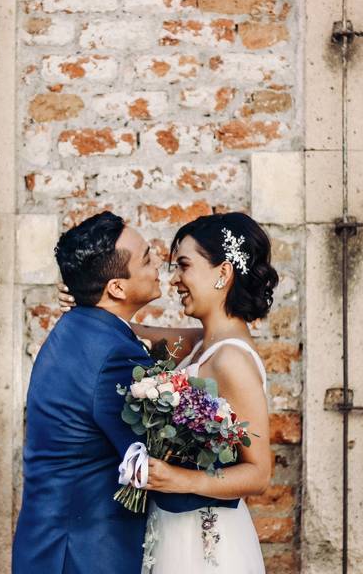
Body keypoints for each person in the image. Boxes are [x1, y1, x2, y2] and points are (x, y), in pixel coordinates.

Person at [12, 211, 235, 574]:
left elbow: (201, 343)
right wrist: (237, 469)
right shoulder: (112, 353)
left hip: (52, 548)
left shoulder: (81, 329)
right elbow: (156, 460)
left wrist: (229, 340)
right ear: (117, 287)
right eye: (147, 258)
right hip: (82, 555)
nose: (159, 267)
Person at [59, 212, 277, 573]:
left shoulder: (232, 359)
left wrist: (179, 479)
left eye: (185, 266)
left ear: (223, 273)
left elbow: (259, 473)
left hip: (204, 541)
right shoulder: (202, 343)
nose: (174, 279)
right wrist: (87, 298)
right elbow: (134, 329)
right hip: (169, 528)